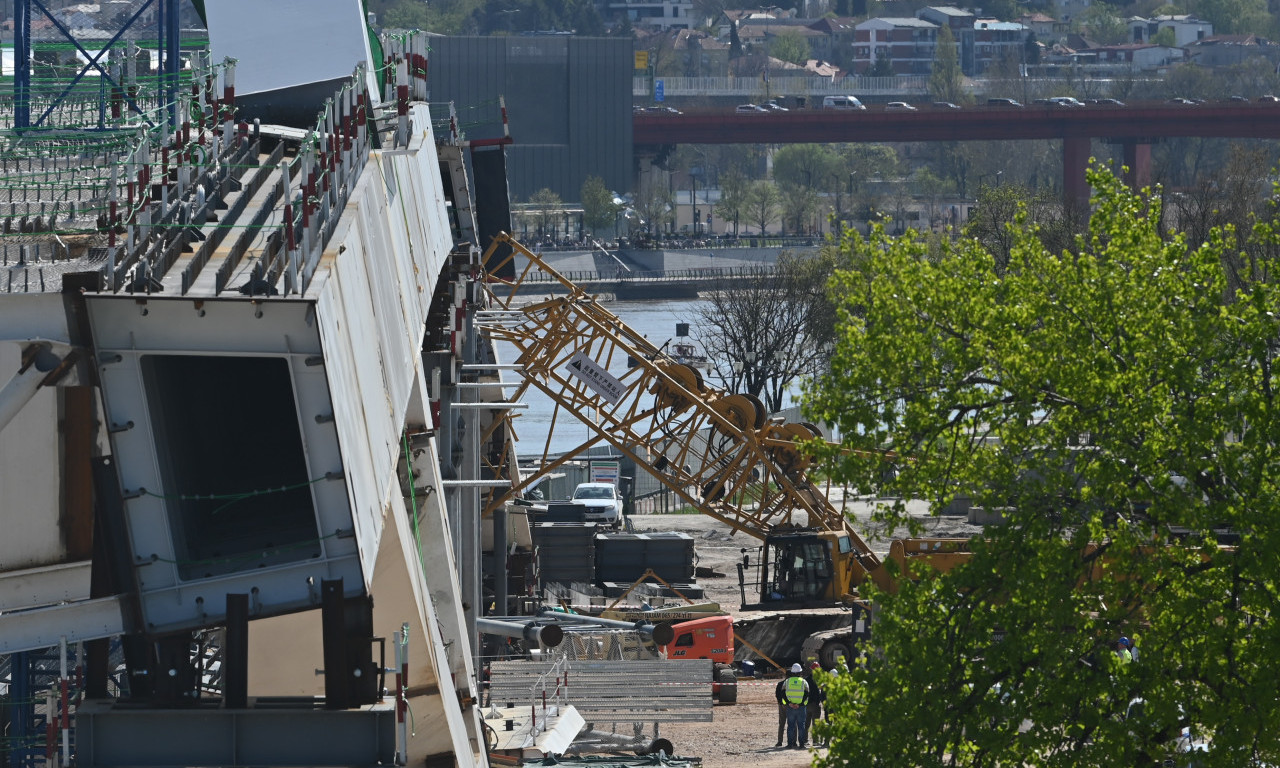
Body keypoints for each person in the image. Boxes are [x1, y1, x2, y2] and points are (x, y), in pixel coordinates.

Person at [781, 662, 810, 749]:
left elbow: (782, 693)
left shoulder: (787, 682)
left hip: (790, 707)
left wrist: (789, 703)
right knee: (801, 726)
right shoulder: (804, 682)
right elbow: (807, 694)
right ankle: (801, 744)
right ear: (800, 672)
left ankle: (790, 744)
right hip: (801, 707)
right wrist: (800, 704)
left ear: (792, 672)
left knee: (790, 726)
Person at [804, 661, 825, 747]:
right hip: (815, 705)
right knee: (815, 724)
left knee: (806, 723)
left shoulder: (806, 679)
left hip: (807, 704)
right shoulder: (819, 680)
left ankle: (804, 740)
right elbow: (820, 693)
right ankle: (815, 741)